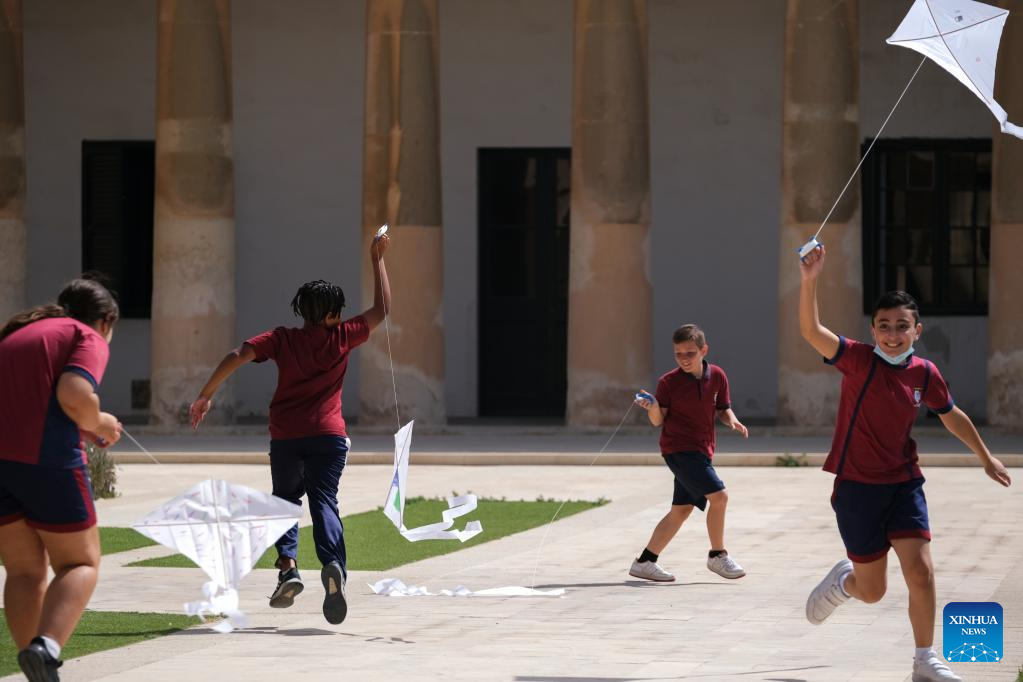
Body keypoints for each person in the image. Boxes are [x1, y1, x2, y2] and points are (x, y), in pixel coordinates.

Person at [798, 245, 1011, 682]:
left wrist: (985, 457)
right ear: (872, 330)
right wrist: (810, 279)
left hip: (903, 486)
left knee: (922, 571)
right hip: (857, 489)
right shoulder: (857, 359)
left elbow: (952, 414)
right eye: (884, 326)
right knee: (873, 591)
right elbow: (811, 329)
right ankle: (844, 583)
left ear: (917, 330)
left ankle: (924, 660)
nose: (892, 334)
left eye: (901, 326)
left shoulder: (924, 373)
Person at [189, 234, 390, 625]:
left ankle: (289, 569)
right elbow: (383, 309)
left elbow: (237, 355)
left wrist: (205, 395)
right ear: (334, 314)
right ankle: (331, 565)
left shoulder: (282, 339)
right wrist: (377, 258)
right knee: (324, 502)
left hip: (286, 436)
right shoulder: (343, 336)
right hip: (329, 437)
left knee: (283, 502)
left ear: (304, 311)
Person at [0, 277, 122, 682]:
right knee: (79, 562)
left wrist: (83, 427)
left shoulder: (22, 331)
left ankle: (31, 662)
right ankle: (46, 648)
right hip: (46, 460)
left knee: (23, 571)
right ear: (106, 321)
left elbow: (33, 399)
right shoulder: (86, 335)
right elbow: (73, 393)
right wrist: (101, 421)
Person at [631, 323, 749, 583]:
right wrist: (651, 406)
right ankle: (717, 555)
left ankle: (645, 562)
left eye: (690, 353)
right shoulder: (668, 383)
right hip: (679, 450)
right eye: (678, 354)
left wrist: (733, 420)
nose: (684, 358)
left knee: (681, 511)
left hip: (703, 449)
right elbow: (658, 420)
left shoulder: (717, 376)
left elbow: (723, 408)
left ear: (703, 350)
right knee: (720, 497)